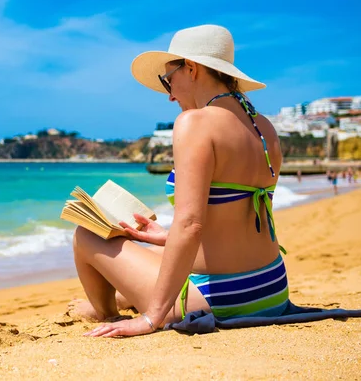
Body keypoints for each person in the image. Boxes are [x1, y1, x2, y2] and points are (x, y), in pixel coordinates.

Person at [70, 25, 288, 338]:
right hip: (270, 288)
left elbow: (192, 225)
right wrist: (164, 237)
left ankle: (107, 312)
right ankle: (116, 299)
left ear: (192, 69)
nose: (170, 94)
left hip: (222, 299)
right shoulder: (262, 125)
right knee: (149, 248)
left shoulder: (195, 123)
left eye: (168, 79)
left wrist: (151, 319)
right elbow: (231, 217)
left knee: (85, 235)